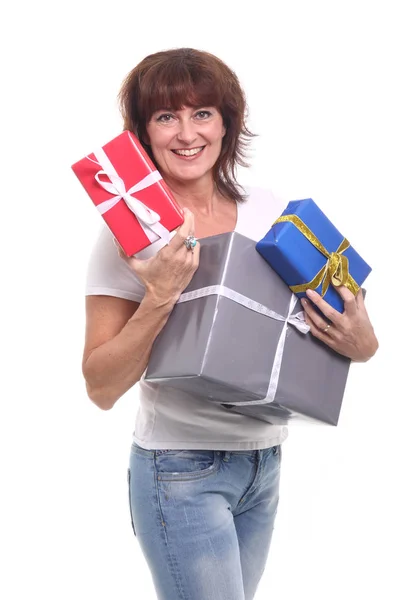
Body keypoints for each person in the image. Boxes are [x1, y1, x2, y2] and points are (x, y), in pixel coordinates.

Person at [82, 48, 379, 600]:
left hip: (264, 461)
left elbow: (353, 339)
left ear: (227, 123)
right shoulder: (130, 232)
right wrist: (161, 295)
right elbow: (100, 387)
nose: (186, 133)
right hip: (179, 469)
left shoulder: (274, 212)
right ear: (143, 133)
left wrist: (363, 341)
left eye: (202, 113)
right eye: (165, 116)